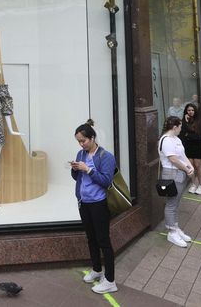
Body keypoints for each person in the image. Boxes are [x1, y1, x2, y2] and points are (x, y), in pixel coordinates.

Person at [70, 119, 118, 294]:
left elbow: (106, 181)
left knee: (103, 240)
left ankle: (110, 280)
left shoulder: (106, 157)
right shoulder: (81, 154)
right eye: (79, 141)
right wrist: (75, 169)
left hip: (99, 203)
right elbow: (78, 178)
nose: (81, 144)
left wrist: (88, 170)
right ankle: (97, 270)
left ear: (92, 138)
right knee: (91, 238)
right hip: (84, 202)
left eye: (83, 140)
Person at [158, 116, 194, 248]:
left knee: (176, 202)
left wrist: (190, 166)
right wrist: (186, 168)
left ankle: (175, 227)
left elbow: (182, 156)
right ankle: (171, 232)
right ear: (174, 127)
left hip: (180, 172)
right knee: (171, 203)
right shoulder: (166, 140)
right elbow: (173, 159)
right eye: (180, 127)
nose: (181, 129)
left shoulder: (176, 139)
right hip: (171, 173)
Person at [181, 104, 201, 195]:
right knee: (190, 166)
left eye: (192, 110)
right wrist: (186, 124)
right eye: (188, 110)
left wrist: (188, 135)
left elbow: (200, 136)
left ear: (195, 111)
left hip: (198, 146)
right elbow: (182, 135)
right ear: (186, 112)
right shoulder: (184, 122)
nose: (190, 112)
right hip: (188, 147)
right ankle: (193, 184)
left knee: (198, 166)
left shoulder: (200, 121)